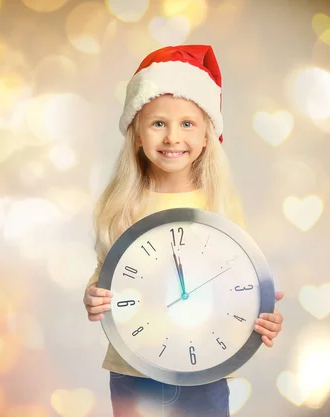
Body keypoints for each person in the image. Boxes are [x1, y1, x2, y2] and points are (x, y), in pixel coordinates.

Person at [82, 45, 285, 417]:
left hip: (205, 373)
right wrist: (93, 296)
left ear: (208, 135)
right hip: (134, 371)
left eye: (187, 124)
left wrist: (263, 310)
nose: (172, 137)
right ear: (138, 135)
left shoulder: (220, 206)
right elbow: (105, 276)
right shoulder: (121, 204)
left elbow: (237, 285)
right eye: (159, 123)